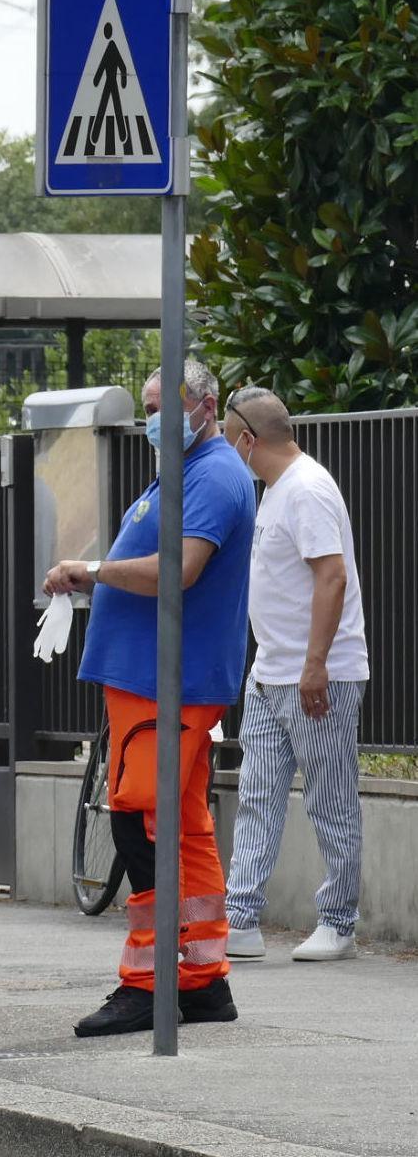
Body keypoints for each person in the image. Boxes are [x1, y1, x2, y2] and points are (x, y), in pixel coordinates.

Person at [43, 358, 255, 1038]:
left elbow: (179, 570)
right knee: (179, 824)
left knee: (139, 820)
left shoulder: (212, 474)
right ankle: (200, 976)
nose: (152, 417)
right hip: (155, 679)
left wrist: (93, 568)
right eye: (147, 405)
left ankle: (149, 980)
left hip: (165, 681)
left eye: (164, 404)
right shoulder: (186, 472)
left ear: (204, 405)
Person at [221, 386, 369, 963]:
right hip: (271, 673)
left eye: (231, 439)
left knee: (331, 800)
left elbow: (331, 578)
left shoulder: (306, 489)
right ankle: (241, 918)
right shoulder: (278, 491)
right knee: (259, 793)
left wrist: (315, 665)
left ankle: (339, 922)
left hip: (317, 675)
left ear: (248, 440)